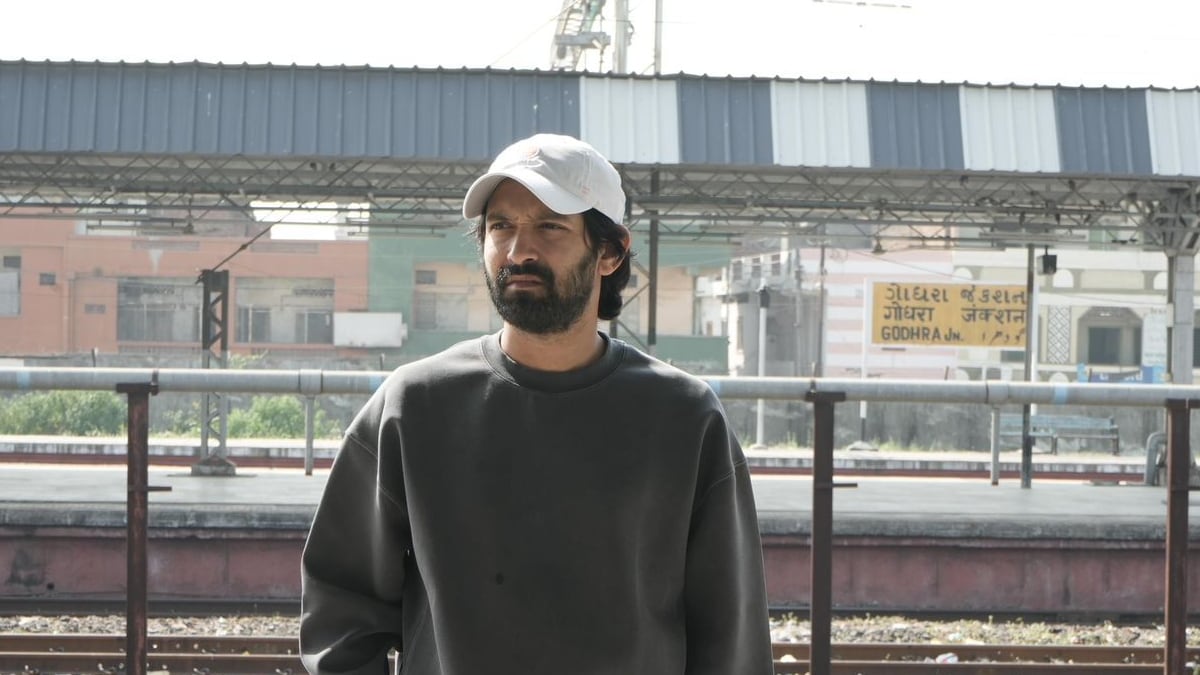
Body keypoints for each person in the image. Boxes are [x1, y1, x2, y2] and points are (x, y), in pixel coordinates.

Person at [299, 133, 773, 675]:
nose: (519, 250)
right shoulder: (413, 407)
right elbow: (340, 609)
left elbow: (731, 641)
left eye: (550, 226)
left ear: (610, 252)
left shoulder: (685, 419)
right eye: (501, 226)